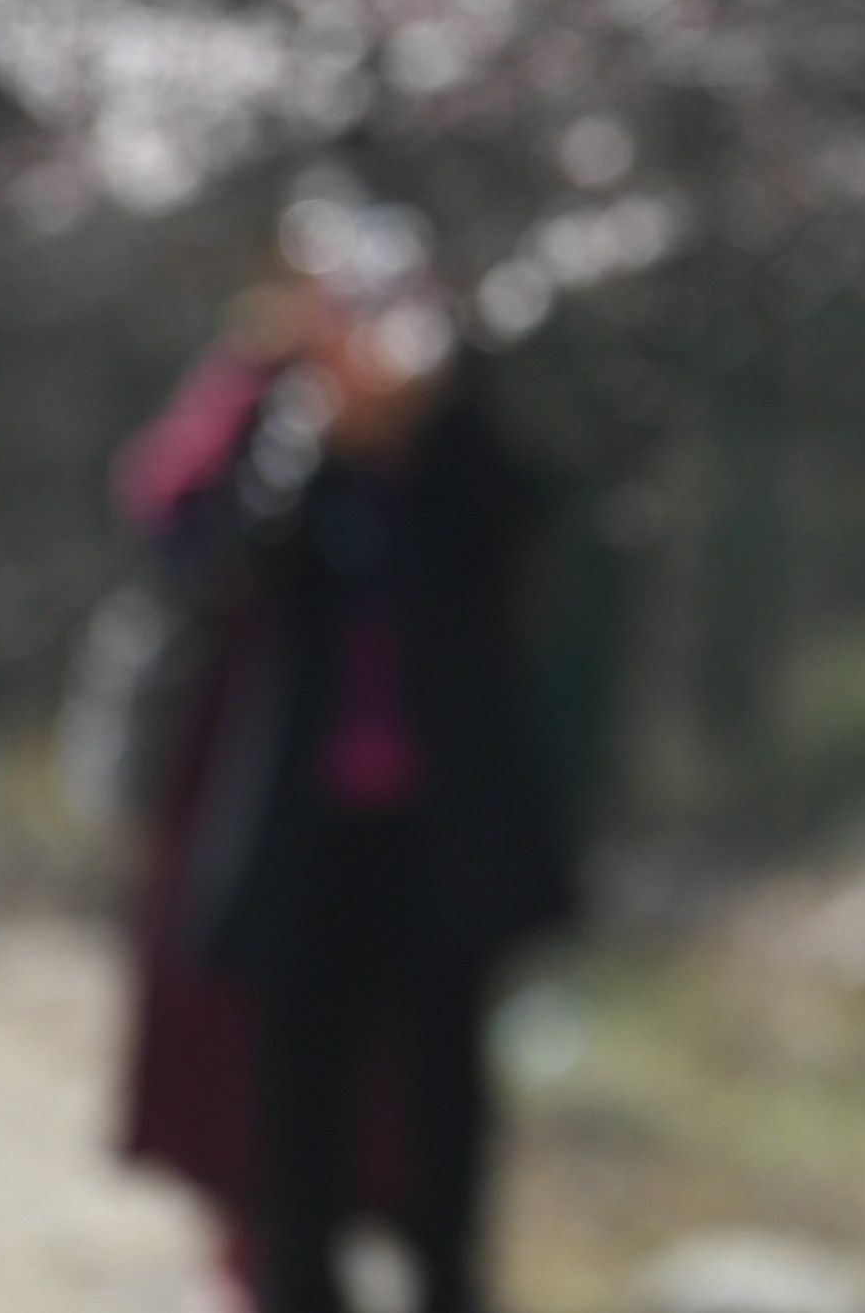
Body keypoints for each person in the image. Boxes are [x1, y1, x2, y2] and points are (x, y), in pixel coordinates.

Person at [109, 190, 577, 1313]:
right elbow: (208, 560)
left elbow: (507, 562)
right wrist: (312, 444)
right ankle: (292, 1277)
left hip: (442, 820)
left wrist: (428, 423)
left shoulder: (461, 433)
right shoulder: (270, 418)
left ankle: (446, 1279)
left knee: (444, 1081)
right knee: (295, 1076)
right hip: (297, 816)